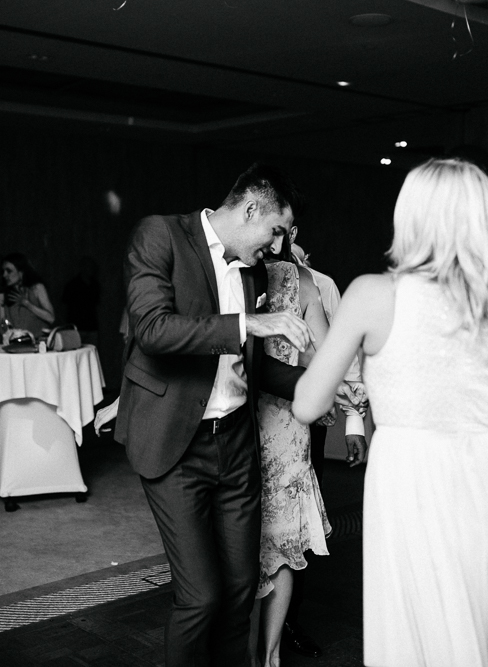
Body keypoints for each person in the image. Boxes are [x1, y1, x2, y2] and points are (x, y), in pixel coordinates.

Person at [292, 158, 488, 667]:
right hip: (482, 471)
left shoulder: (372, 294)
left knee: (422, 615)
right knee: (482, 609)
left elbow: (308, 403)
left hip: (407, 473)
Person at [116, 163, 315, 666]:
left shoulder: (252, 270)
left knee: (240, 590)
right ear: (249, 209)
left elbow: (254, 364)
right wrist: (248, 322)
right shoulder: (160, 235)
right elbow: (153, 331)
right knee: (200, 596)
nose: (277, 246)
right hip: (176, 444)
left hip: (237, 445)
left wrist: (322, 384)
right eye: (275, 230)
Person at [282, 240, 368, 660]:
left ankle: (288, 620)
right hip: (252, 421)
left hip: (303, 425)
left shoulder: (321, 286)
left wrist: (354, 420)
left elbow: (342, 354)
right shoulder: (238, 274)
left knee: (297, 525)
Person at [255, 234, 334, 667]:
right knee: (284, 543)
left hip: (246, 418)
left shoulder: (235, 273)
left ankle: (251, 653)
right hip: (287, 423)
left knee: (247, 542)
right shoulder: (302, 280)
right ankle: (271, 656)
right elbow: (326, 355)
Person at [0, 252, 55, 338]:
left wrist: (27, 304)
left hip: (38, 340)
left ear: (21, 272)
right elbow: (3, 325)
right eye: (3, 271)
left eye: (9, 271)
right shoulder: (6, 293)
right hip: (17, 341)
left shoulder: (36, 288)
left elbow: (51, 318)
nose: (5, 275)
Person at [62, 255, 100, 345]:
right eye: (88, 266)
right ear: (82, 267)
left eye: (92, 267)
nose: (91, 269)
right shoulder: (72, 285)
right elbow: (64, 305)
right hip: (76, 327)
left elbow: (98, 305)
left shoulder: (95, 285)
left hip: (92, 327)